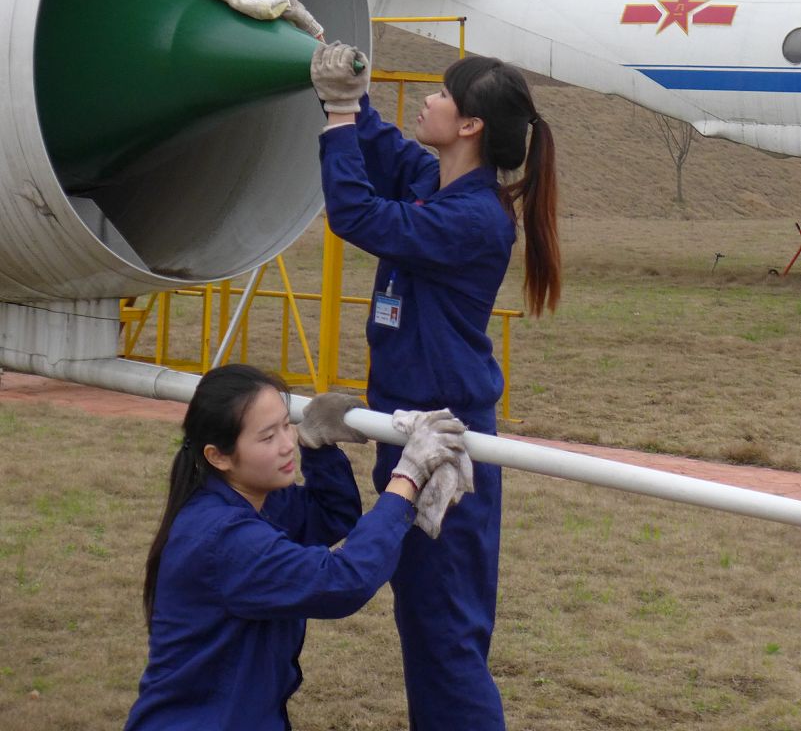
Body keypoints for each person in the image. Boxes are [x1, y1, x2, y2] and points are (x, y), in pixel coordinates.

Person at [311, 43, 561, 731]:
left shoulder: (473, 218)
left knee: (444, 632)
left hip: (443, 441)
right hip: (405, 427)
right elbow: (386, 152)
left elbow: (357, 215)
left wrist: (336, 113)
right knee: (423, 620)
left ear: (472, 125)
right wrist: (347, 88)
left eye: (442, 95)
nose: (426, 100)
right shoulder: (440, 183)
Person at [125, 363, 467, 731]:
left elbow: (329, 516)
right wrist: (407, 478)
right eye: (267, 437)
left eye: (286, 425)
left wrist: (316, 447)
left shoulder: (248, 501)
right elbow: (343, 581)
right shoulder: (222, 539)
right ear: (218, 456)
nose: (286, 443)